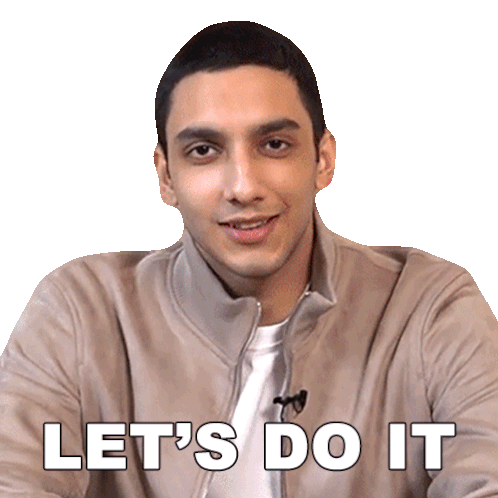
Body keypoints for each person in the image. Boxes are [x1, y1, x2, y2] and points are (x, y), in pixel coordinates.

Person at [1, 21, 497, 498]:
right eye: (203, 150)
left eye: (274, 145)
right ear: (166, 177)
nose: (243, 187)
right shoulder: (79, 312)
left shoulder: (430, 308)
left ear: (323, 159)